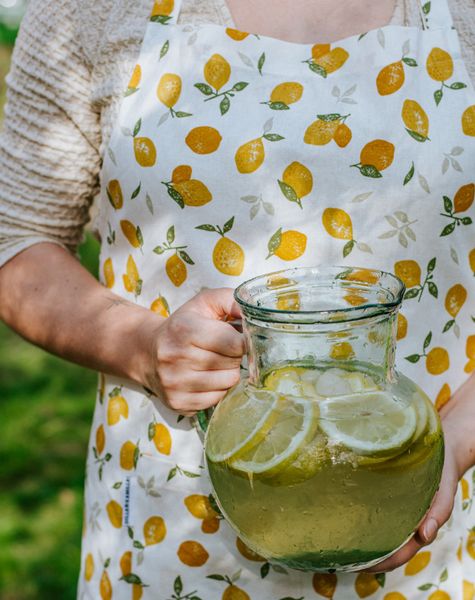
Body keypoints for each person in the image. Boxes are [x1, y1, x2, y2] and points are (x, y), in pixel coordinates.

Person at [0, 0, 474, 597]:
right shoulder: (91, 9)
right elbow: (17, 239)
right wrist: (145, 348)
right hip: (168, 534)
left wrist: (456, 439)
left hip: (420, 519)